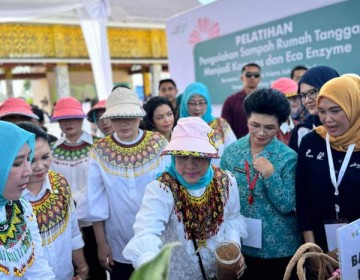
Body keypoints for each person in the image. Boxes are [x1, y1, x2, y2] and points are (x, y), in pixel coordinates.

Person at [123, 117, 248, 280]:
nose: (190, 165)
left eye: (198, 156)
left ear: (209, 156)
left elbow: (232, 218)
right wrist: (151, 268)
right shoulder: (162, 189)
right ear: (173, 156)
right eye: (182, 156)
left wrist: (233, 249)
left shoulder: (225, 181)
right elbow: (147, 230)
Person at [83, 86, 170, 280]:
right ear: (109, 120)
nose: (123, 123)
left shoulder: (158, 143)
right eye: (117, 118)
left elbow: (170, 190)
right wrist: (101, 243)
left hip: (159, 235)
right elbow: (96, 199)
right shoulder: (100, 150)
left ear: (139, 117)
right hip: (118, 239)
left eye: (129, 117)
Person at [221, 88, 302, 280]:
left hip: (279, 249)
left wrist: (270, 175)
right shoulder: (232, 152)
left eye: (270, 127)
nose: (261, 132)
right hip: (241, 243)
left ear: (280, 125)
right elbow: (222, 199)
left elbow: (287, 205)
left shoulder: (287, 157)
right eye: (254, 125)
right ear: (247, 119)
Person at [296, 75, 360, 253]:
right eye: (322, 111)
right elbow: (303, 199)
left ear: (354, 106)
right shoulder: (311, 141)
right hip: (319, 248)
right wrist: (313, 250)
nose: (327, 119)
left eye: (335, 110)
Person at [18, 121, 89, 280]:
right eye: (31, 160)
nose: (39, 167)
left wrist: (82, 267)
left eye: (45, 157)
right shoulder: (8, 200)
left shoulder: (60, 183)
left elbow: (73, 233)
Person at [50, 96, 106, 279]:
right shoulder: (51, 152)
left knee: (98, 269)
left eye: (73, 117)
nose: (68, 123)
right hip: (65, 225)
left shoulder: (100, 146)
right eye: (63, 119)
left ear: (82, 118)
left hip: (95, 223)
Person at [0, 121, 55, 279]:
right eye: (17, 163)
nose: (29, 171)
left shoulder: (21, 208)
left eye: (27, 159)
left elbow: (38, 269)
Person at [180, 82, 236, 166]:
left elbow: (233, 151)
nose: (197, 108)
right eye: (192, 103)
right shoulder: (180, 128)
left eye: (201, 102)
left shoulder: (220, 124)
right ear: (185, 104)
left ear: (208, 103)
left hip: (220, 176)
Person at [289, 66, 339, 153]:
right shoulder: (302, 131)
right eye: (303, 95)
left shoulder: (354, 127)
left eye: (312, 92)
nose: (307, 100)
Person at [221, 63, 262, 139]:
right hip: (237, 147)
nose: (252, 77)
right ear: (241, 78)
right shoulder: (230, 101)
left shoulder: (266, 100)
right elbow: (225, 129)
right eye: (248, 75)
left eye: (256, 75)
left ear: (260, 79)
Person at [271, 77, 300, 145]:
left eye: (296, 96)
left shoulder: (299, 126)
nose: (295, 101)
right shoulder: (269, 131)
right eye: (289, 97)